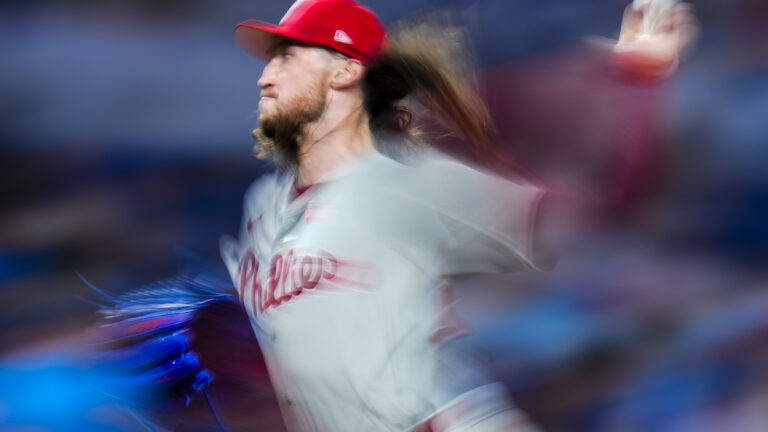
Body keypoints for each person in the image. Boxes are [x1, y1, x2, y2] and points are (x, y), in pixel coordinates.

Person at [217, 0, 697, 430]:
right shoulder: (269, 205)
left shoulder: (408, 183)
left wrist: (638, 83)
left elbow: (573, 224)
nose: (266, 77)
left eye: (287, 58)